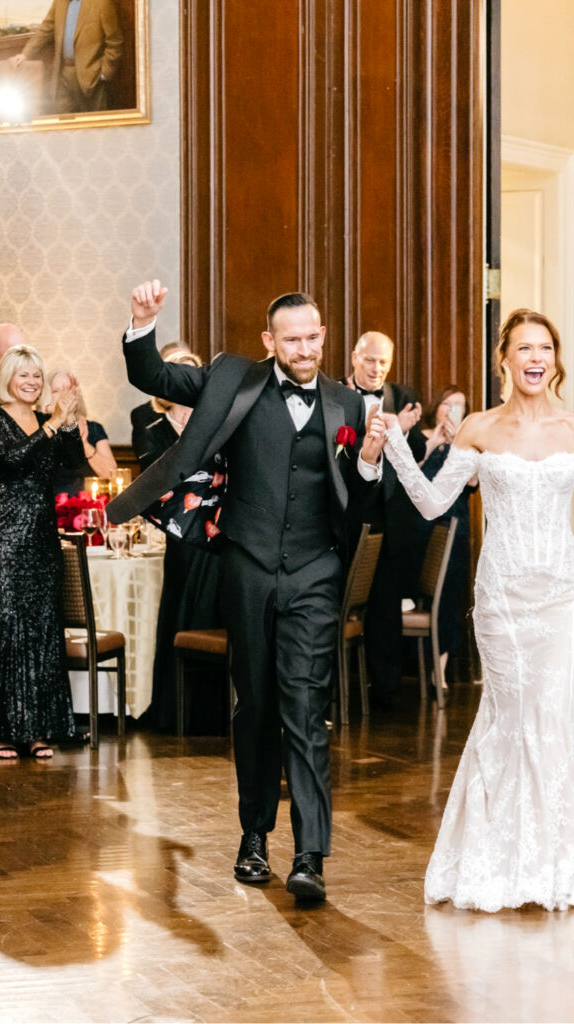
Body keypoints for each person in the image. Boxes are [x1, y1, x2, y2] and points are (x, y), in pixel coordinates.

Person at [377, 309, 574, 912]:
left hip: (561, 595)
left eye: (546, 348)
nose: (536, 359)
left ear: (556, 359)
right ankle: (489, 863)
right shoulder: (479, 428)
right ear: (503, 359)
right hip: (503, 596)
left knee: (553, 721)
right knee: (508, 720)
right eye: (524, 348)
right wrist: (399, 449)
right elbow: (433, 503)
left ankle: (547, 869)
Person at [107, 280, 385, 903]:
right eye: (293, 339)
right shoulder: (231, 379)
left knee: (306, 711)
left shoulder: (350, 405)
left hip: (316, 572)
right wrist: (142, 321)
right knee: (254, 705)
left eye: (314, 336)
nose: (307, 348)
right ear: (269, 341)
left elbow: (362, 508)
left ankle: (310, 854)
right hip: (248, 566)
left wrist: (367, 462)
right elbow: (152, 373)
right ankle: (254, 837)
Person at [0, 345, 83, 760]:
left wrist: (68, 422)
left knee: (42, 628)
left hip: (41, 536)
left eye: (37, 376)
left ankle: (37, 730)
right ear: (8, 376)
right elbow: (12, 459)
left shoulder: (48, 420)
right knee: (4, 627)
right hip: (0, 534)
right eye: (23, 375)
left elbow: (74, 463)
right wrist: (52, 427)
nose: (31, 382)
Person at [134, 350, 226, 734]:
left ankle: (214, 712)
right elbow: (158, 487)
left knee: (214, 620)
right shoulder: (154, 430)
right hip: (178, 541)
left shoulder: (219, 424)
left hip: (217, 541)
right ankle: (176, 711)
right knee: (180, 617)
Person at [341, 331, 424, 709]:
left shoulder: (402, 398)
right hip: (347, 516)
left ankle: (386, 692)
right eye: (370, 360)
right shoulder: (338, 396)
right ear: (355, 358)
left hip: (390, 520)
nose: (376, 369)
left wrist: (403, 433)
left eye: (383, 363)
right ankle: (335, 691)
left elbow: (420, 451)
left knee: (386, 606)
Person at [409, 385, 478, 685]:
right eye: (447, 404)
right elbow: (408, 477)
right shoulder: (421, 437)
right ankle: (411, 666)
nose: (451, 410)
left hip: (453, 527)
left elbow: (473, 482)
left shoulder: (469, 444)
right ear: (437, 407)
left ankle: (441, 667)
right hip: (418, 526)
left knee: (448, 596)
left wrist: (460, 445)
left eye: (459, 405)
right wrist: (434, 442)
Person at [9, 0, 123, 115]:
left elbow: (115, 42)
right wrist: (26, 54)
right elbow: (45, 29)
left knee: (94, 127)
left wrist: (104, 73)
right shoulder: (59, 2)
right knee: (62, 124)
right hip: (62, 76)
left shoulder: (102, 3)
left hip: (92, 77)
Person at [43, 369, 116, 494]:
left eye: (68, 389)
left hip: (88, 502)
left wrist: (83, 443)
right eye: (56, 391)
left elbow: (110, 474)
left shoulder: (93, 428)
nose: (64, 395)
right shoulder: (41, 429)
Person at [131, 340, 191, 447]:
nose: (181, 372)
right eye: (173, 365)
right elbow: (151, 462)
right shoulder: (143, 415)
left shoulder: (210, 409)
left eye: (186, 364)